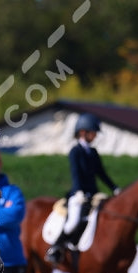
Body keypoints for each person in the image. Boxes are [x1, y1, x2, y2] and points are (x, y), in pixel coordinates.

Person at [45, 112, 120, 264]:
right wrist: (78, 191)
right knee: (73, 221)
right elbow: (75, 173)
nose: (96, 136)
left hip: (93, 194)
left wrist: (114, 188)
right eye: (94, 133)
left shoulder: (93, 152)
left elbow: (102, 173)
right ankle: (56, 247)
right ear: (83, 132)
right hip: (78, 194)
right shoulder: (75, 151)